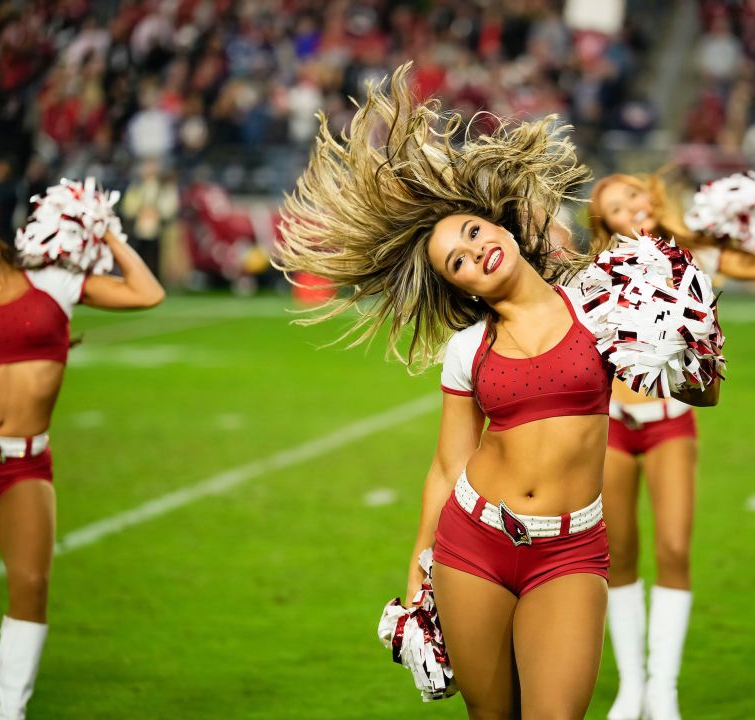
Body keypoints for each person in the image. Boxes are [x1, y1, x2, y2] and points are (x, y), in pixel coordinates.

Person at [273, 65, 719, 720]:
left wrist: (691, 334)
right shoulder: (466, 351)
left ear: (503, 229)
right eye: (457, 259)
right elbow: (449, 465)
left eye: (474, 232)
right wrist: (417, 571)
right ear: (462, 289)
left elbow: (700, 393)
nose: (474, 250)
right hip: (473, 543)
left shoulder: (598, 308)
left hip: (569, 549)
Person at [588, 173, 755, 720]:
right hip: (611, 423)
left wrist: (753, 218)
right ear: (604, 224)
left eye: (633, 193)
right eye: (614, 206)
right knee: (621, 556)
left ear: (649, 196)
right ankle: (631, 687)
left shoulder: (694, 253)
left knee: (675, 550)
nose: (629, 206)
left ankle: (664, 688)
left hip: (669, 420)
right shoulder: (598, 272)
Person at [0, 211, 165, 719]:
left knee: (30, 584)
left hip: (25, 463)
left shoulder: (53, 282)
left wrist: (104, 231)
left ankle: (9, 713)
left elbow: (147, 292)